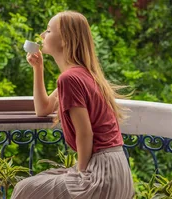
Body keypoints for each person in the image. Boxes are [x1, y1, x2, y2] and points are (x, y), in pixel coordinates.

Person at [11, 11, 134, 199]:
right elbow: (43, 108)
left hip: (102, 174)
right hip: (117, 170)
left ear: (65, 40)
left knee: (24, 190)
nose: (43, 35)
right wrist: (38, 69)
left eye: (49, 31)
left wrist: (80, 172)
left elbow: (85, 133)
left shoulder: (70, 78)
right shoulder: (81, 74)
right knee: (31, 185)